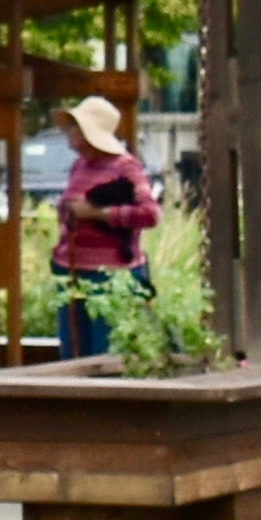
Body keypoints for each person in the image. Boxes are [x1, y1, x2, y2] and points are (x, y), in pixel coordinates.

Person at [51, 94, 163, 357]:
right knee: (73, 352)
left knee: (106, 353)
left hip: (112, 275)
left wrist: (98, 214)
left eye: (74, 127)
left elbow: (150, 214)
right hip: (73, 271)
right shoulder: (79, 166)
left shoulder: (127, 169)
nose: (69, 133)